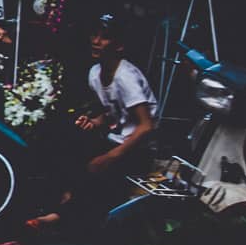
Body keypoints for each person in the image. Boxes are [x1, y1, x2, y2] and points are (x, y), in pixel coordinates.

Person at [24, 15, 159, 233]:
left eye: (104, 38)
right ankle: (65, 196)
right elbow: (112, 113)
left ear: (118, 46)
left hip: (136, 146)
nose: (96, 42)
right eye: (94, 36)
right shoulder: (95, 73)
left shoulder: (127, 78)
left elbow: (146, 126)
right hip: (114, 138)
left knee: (98, 172)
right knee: (58, 139)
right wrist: (94, 122)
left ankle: (57, 217)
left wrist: (110, 156)